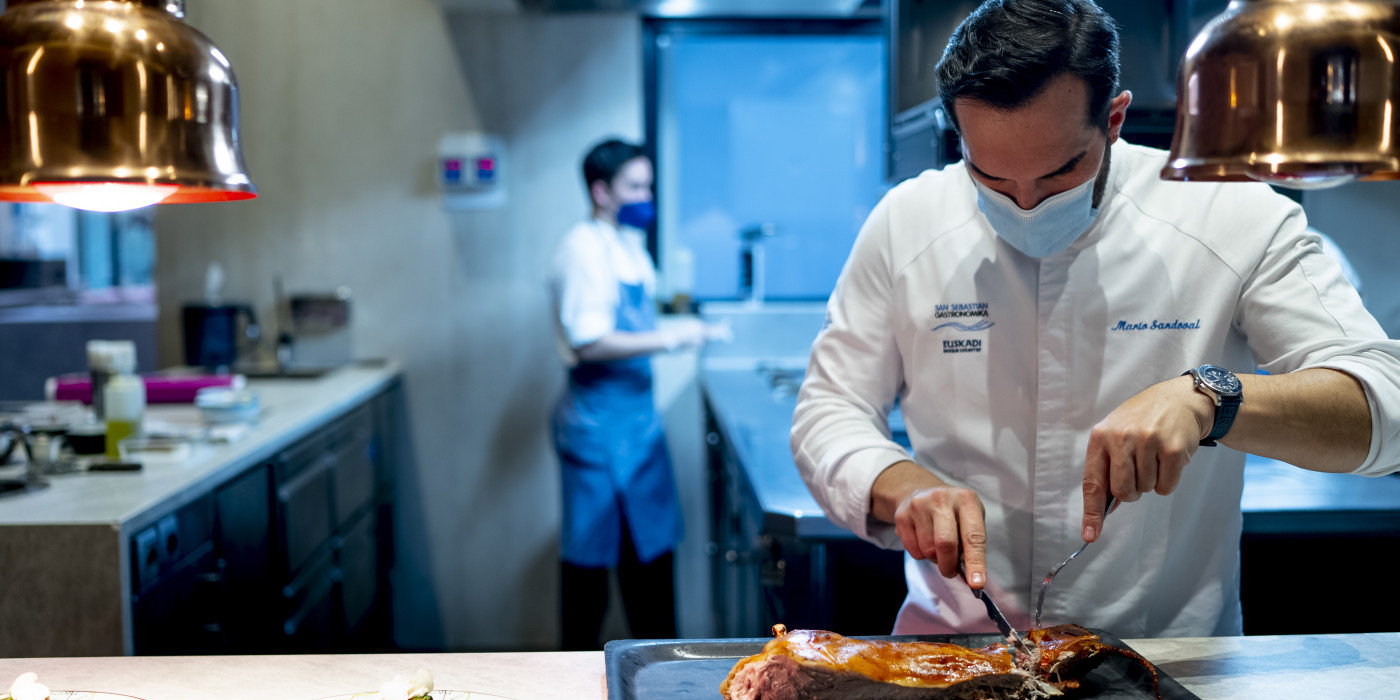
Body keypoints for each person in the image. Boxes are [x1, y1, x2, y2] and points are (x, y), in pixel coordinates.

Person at [791, 0, 1400, 638]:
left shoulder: (1231, 214)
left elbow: (1385, 400)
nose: (1025, 207)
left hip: (1164, 660)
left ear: (1113, 119)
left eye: (1059, 174)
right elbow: (827, 412)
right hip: (954, 652)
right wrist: (903, 485)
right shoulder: (906, 222)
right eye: (990, 179)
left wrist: (1211, 401)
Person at [550, 138, 728, 650]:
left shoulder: (626, 244)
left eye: (648, 185)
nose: (645, 195)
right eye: (635, 186)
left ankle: (657, 675)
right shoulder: (581, 250)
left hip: (637, 426)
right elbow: (589, 341)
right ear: (600, 190)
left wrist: (684, 324)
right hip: (598, 429)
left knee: (649, 566)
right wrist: (676, 337)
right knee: (590, 576)